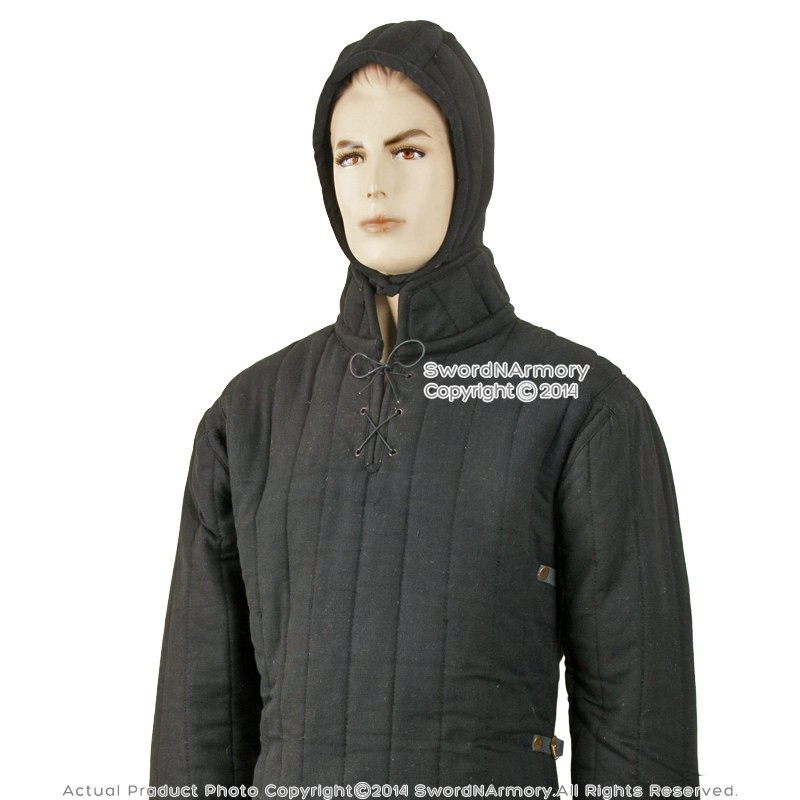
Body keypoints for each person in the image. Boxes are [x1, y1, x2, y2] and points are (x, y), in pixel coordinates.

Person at [150, 20, 698, 796]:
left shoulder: (579, 408)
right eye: (350, 156)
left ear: (467, 162)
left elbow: (640, 734)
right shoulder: (247, 420)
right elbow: (199, 731)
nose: (374, 184)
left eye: (407, 151)